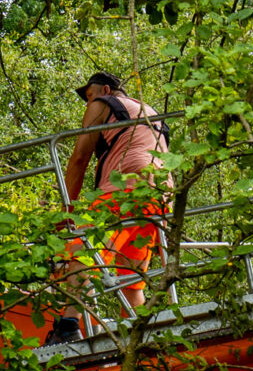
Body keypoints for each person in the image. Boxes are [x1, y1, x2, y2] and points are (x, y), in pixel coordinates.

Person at [48, 71, 167, 340]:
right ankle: (139, 334)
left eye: (90, 96)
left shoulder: (103, 104)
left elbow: (79, 158)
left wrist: (66, 211)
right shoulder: (150, 112)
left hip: (123, 188)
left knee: (82, 250)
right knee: (130, 275)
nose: (88, 103)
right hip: (157, 195)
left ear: (105, 90)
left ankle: (68, 326)